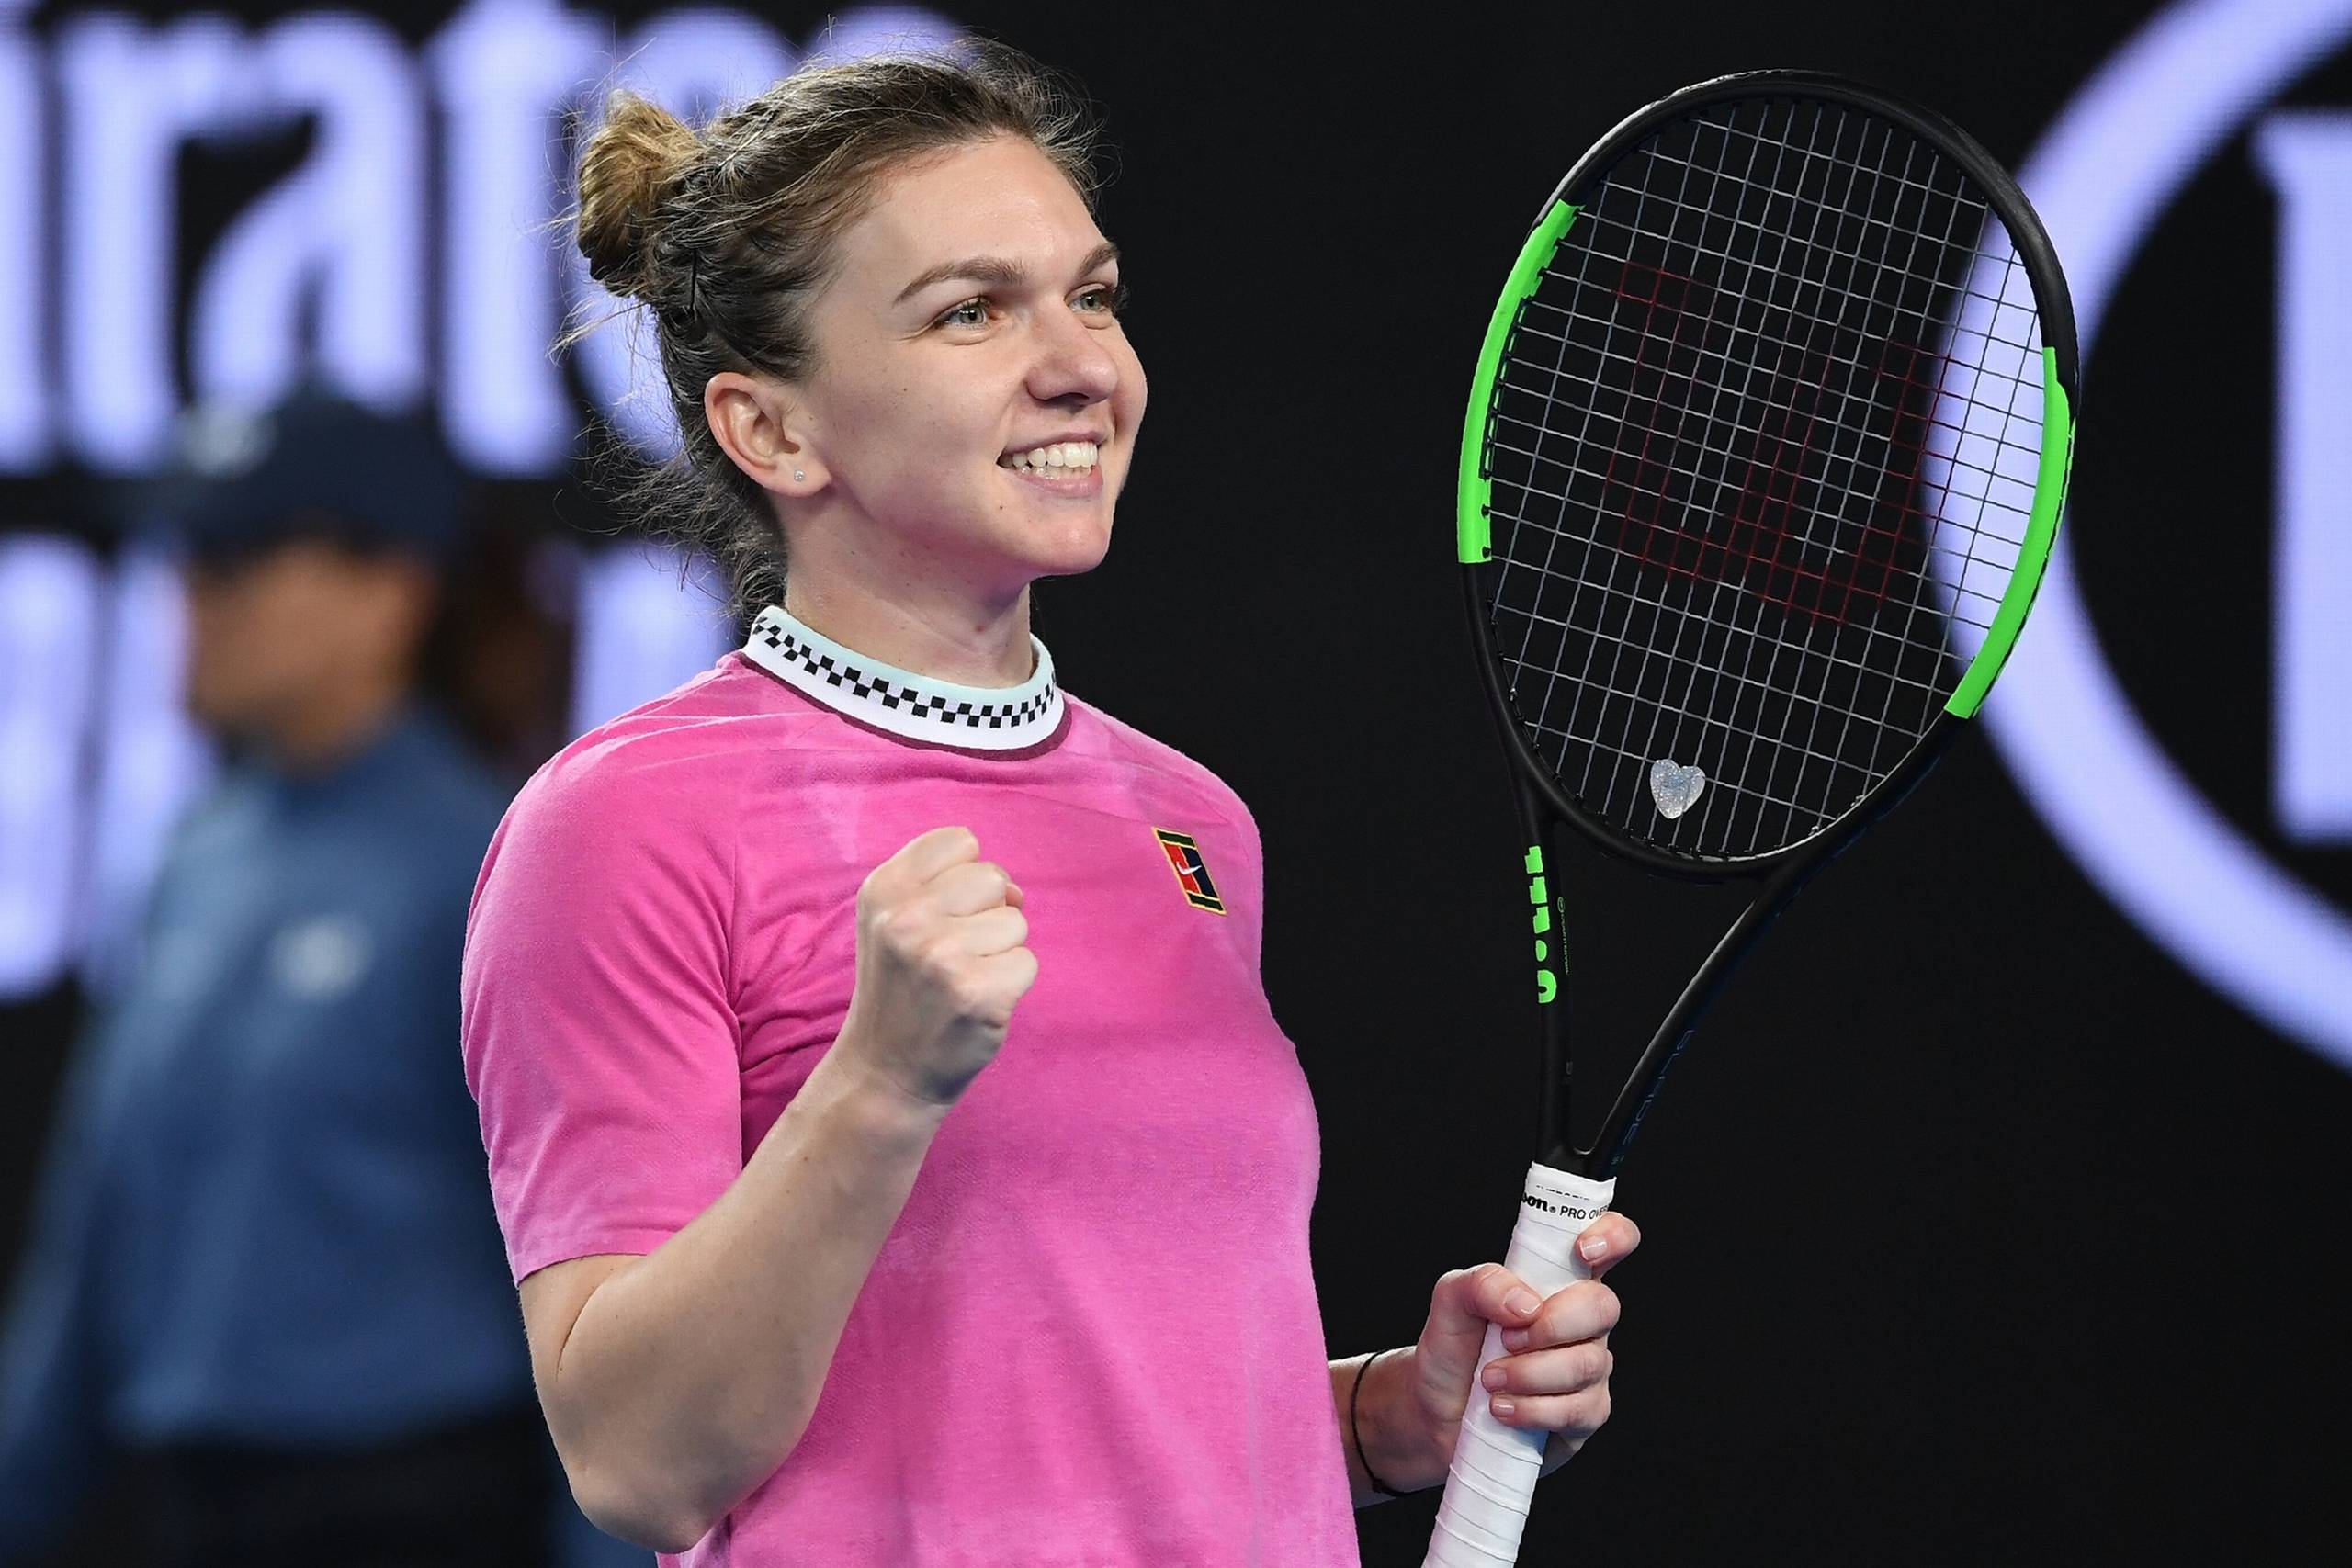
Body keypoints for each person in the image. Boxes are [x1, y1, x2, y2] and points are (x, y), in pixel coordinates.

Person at [462, 42, 1642, 1565]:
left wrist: (1381, 1416)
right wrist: (879, 1084)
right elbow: (638, 1461)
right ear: (772, 430)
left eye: (1089, 294)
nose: (1085, 362)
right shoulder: (622, 826)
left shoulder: (1191, 822)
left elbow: (1077, 1389)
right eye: (972, 310)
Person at [0, 392, 639, 1567]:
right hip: (185, 1510)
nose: (189, 597)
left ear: (390, 590)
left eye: (237, 555)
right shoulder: (199, 853)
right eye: (185, 556)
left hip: (416, 1511)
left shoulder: (491, 869)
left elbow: (592, 1263)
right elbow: (96, 1229)